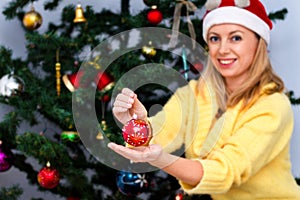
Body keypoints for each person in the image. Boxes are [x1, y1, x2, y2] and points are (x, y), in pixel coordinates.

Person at [108, 0, 300, 199]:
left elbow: (225, 172)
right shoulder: (193, 94)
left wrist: (162, 160)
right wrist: (135, 124)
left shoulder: (273, 105)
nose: (223, 49)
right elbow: (161, 133)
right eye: (215, 38)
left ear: (258, 43)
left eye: (235, 38)